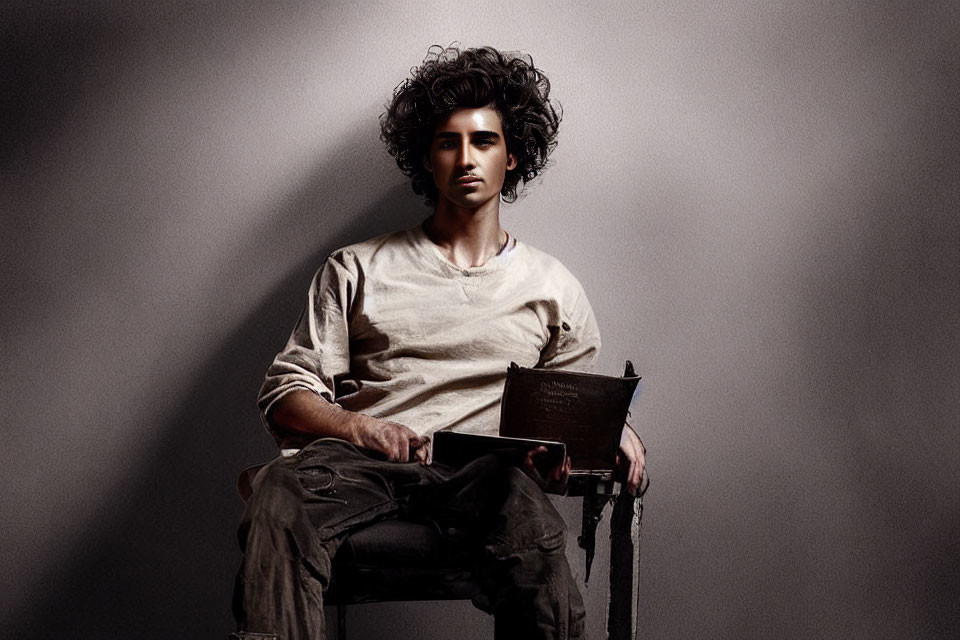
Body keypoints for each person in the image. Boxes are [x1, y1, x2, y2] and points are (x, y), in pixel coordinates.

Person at [231, 45, 646, 640]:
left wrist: (610, 429)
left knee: (534, 535)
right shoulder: (356, 267)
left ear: (514, 155)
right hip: (360, 466)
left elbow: (569, 412)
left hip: (486, 477)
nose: (466, 158)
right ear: (427, 157)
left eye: (484, 141)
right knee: (277, 494)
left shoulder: (553, 287)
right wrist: (361, 428)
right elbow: (284, 397)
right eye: (449, 142)